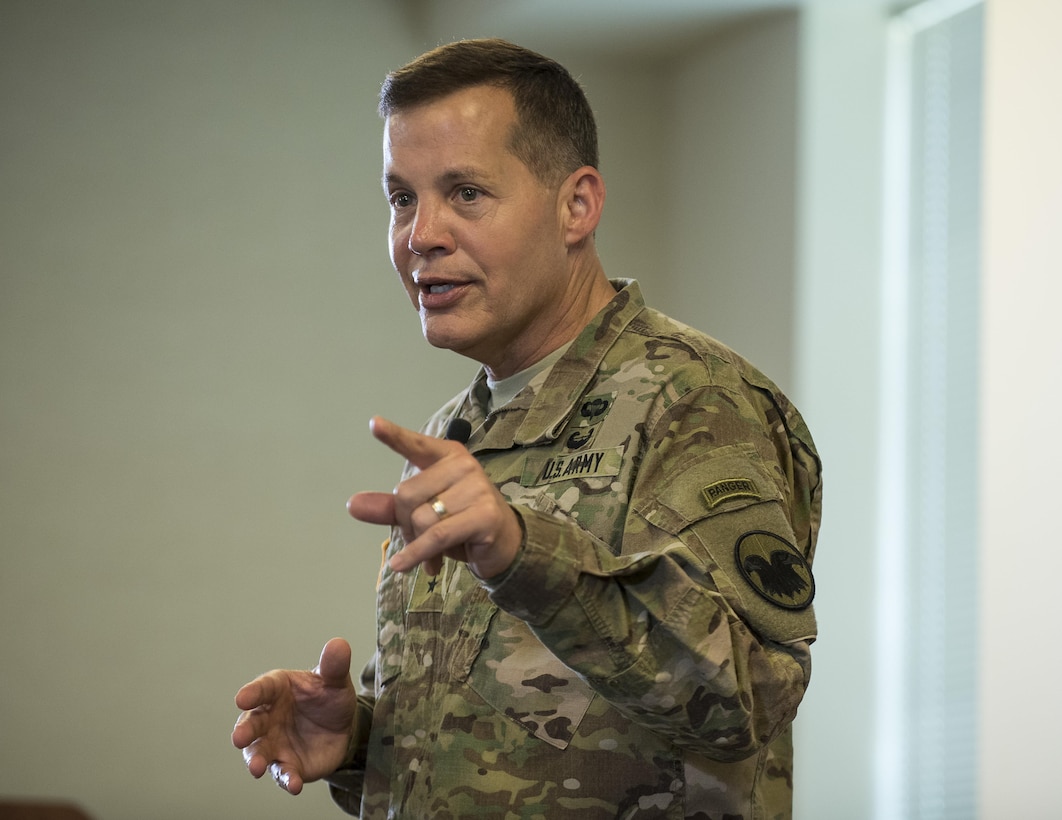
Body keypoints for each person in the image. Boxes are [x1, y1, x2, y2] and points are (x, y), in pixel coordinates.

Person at [232, 38, 822, 819]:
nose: (420, 236)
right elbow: (506, 731)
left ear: (576, 206)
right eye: (402, 198)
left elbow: (747, 698)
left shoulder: (696, 399)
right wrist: (362, 741)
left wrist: (524, 553)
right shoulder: (456, 431)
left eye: (466, 193)